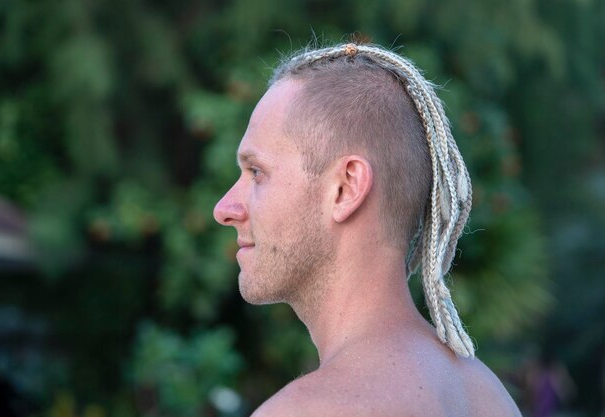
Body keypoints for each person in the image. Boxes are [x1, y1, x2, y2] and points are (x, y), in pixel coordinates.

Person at [213, 43, 521, 417]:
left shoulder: (310, 411)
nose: (224, 209)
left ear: (346, 188)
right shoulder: (486, 395)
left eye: (257, 173)